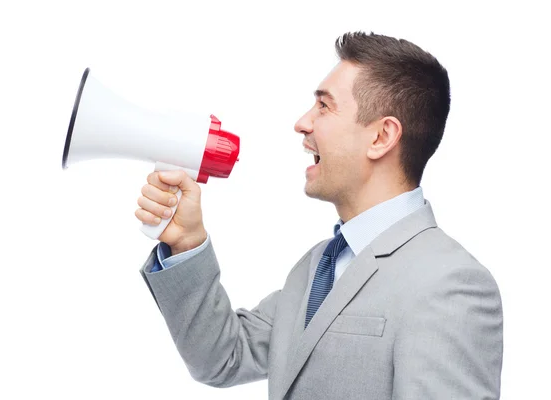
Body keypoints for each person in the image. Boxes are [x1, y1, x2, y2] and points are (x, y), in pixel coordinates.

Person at [134, 31, 503, 400]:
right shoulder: (315, 269)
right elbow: (223, 358)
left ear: (381, 137)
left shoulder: (451, 285)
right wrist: (186, 243)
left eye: (324, 107)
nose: (302, 123)